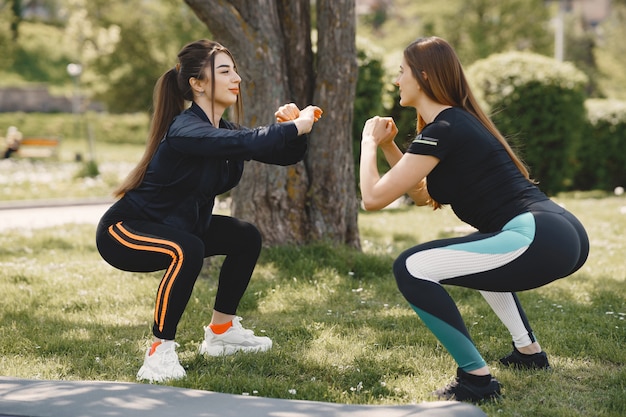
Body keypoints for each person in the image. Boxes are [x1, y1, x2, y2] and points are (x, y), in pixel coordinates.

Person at [359, 36, 588, 403]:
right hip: (558, 231)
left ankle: (476, 380)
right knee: (480, 250)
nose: (396, 80)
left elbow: (372, 198)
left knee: (410, 267)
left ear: (423, 76)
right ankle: (528, 353)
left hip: (537, 235)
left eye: (401, 72)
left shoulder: (445, 129)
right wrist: (389, 145)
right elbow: (421, 194)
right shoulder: (455, 125)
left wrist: (368, 143)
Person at [95, 39, 322, 383]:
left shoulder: (224, 131)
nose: (237, 78)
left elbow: (283, 155)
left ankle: (221, 332)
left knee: (244, 236)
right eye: (224, 71)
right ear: (197, 84)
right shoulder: (186, 129)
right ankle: (159, 351)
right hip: (125, 231)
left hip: (183, 227)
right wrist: (293, 126)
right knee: (189, 249)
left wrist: (295, 131)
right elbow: (249, 141)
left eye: (235, 70)